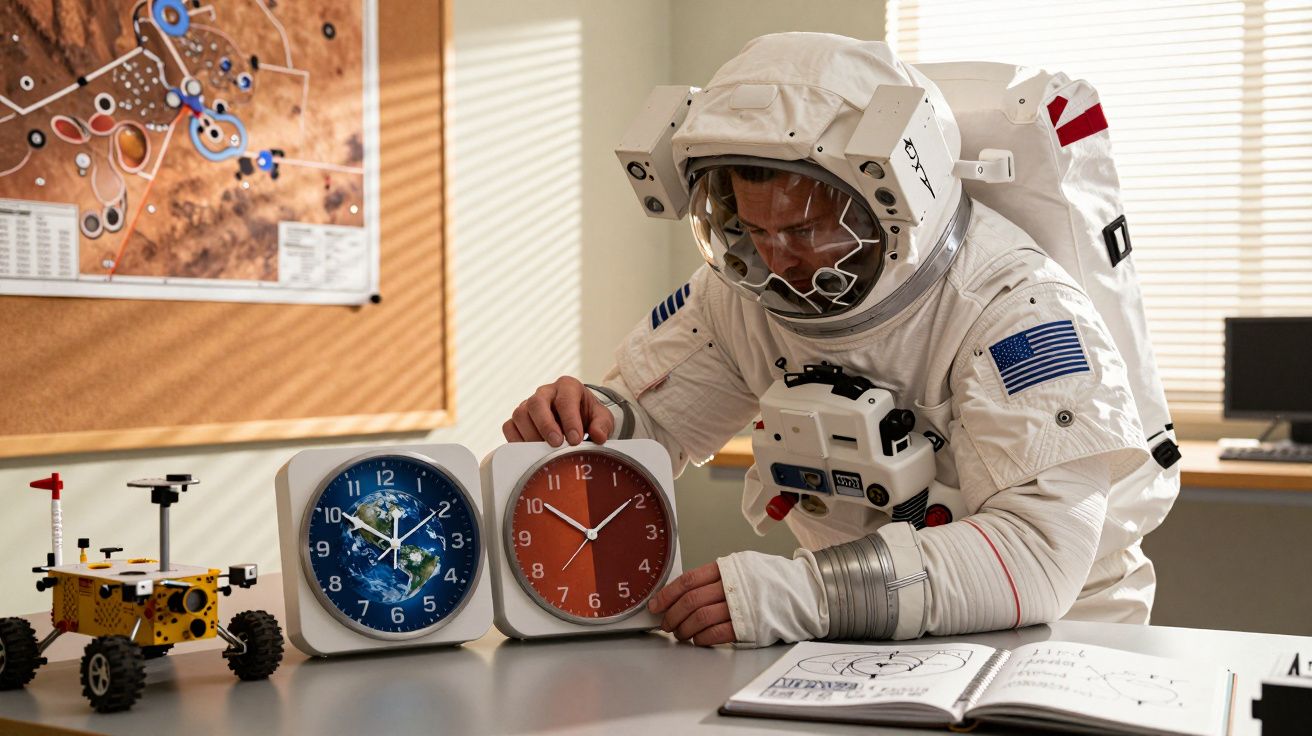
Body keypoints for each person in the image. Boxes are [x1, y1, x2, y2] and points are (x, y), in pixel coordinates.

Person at [502, 33, 1177, 647]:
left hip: (1051, 641)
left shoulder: (1012, 307)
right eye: (755, 229)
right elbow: (651, 425)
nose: (779, 259)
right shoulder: (744, 294)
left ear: (891, 197)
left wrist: (807, 594)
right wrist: (593, 418)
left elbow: (1035, 556)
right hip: (853, 639)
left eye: (804, 231)